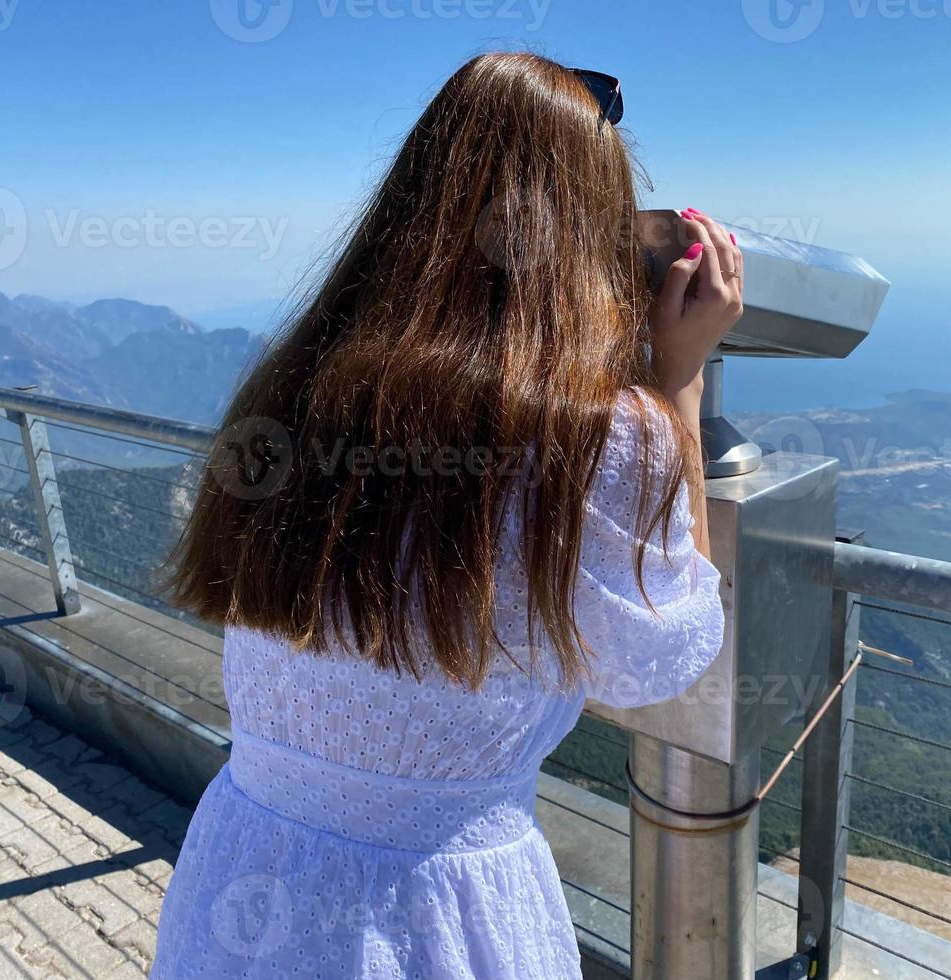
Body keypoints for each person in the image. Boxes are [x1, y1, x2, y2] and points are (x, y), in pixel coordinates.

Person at [151, 51, 742, 980]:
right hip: (435, 909)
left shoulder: (299, 381)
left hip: (241, 872)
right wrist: (677, 386)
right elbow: (656, 665)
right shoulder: (607, 438)